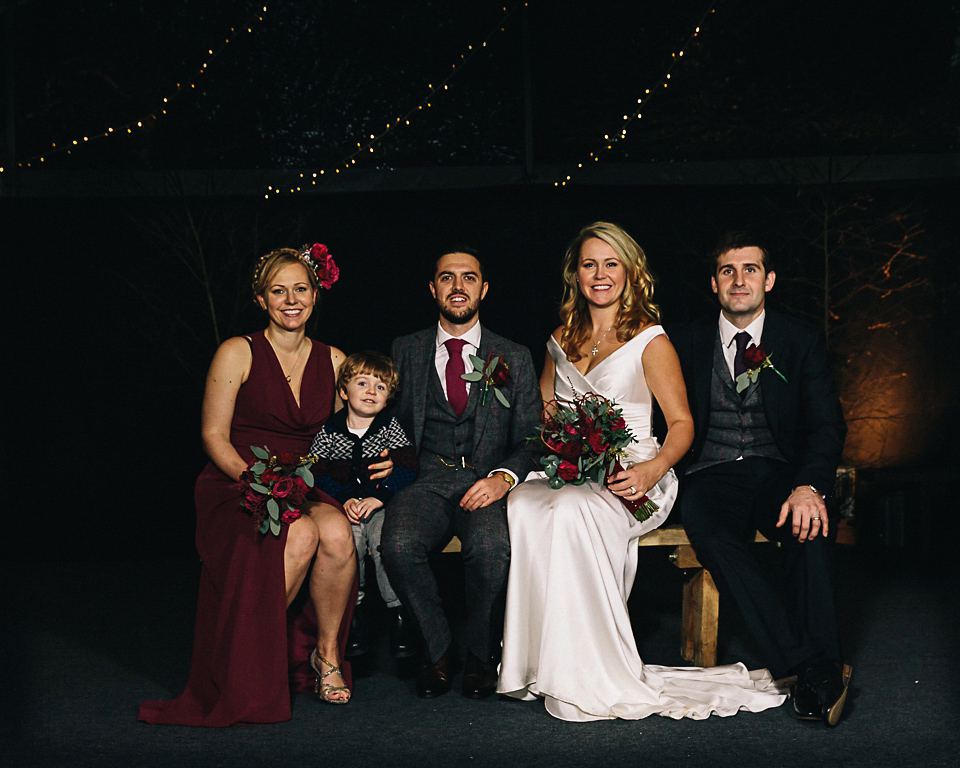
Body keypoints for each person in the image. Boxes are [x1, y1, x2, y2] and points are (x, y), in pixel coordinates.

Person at [498, 221, 788, 722]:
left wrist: (653, 469)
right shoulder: (561, 337)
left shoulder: (650, 339)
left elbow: (681, 424)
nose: (600, 273)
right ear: (576, 274)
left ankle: (589, 670)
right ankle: (538, 663)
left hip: (637, 471)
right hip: (575, 465)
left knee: (570, 509)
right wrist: (560, 444)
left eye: (611, 263)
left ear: (630, 272)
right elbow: (544, 410)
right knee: (523, 502)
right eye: (589, 264)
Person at [139, 244, 389, 725]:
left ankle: (327, 656)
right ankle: (245, 667)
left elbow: (344, 438)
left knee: (337, 533)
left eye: (300, 289)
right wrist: (260, 482)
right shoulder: (238, 351)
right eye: (278, 291)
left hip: (306, 480)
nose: (290, 300)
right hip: (237, 479)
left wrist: (377, 471)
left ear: (315, 295)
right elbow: (213, 435)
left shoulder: (336, 360)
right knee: (302, 533)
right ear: (261, 299)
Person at [670, 231, 851, 726]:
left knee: (809, 525)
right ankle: (815, 665)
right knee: (713, 538)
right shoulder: (682, 340)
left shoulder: (800, 339)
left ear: (768, 279)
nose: (739, 279)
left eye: (750, 269)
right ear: (714, 283)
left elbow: (826, 425)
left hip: (778, 472)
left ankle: (814, 663)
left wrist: (809, 486)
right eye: (728, 270)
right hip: (709, 473)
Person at [380, 247, 542, 700]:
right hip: (424, 478)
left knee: (491, 549)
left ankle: (479, 655)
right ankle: (438, 650)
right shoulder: (405, 349)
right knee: (397, 545)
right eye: (447, 278)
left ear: (483, 289)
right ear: (433, 289)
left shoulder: (513, 355)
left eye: (468, 277)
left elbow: (532, 435)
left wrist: (504, 477)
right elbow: (384, 419)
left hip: (485, 480)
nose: (458, 286)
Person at [310, 351, 419, 660]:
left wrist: (379, 496)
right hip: (346, 508)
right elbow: (315, 473)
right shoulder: (330, 431)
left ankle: (399, 617)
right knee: (350, 547)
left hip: (381, 505)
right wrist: (344, 498)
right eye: (363, 383)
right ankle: (353, 618)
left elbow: (408, 466)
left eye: (381, 387)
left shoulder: (389, 427)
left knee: (386, 546)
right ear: (344, 392)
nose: (372, 391)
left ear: (389, 397)